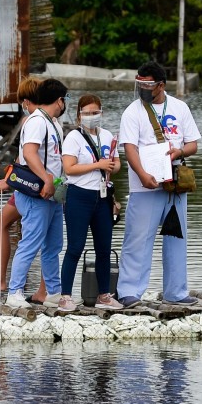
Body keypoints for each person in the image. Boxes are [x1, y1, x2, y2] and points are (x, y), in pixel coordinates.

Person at [117, 62, 201, 306]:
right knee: (138, 239)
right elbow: (130, 149)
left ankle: (176, 292)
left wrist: (179, 151)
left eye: (148, 84)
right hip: (145, 186)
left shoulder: (180, 107)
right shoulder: (133, 112)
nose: (142, 88)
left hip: (174, 186)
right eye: (139, 83)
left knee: (177, 238)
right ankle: (129, 291)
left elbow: (193, 144)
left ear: (161, 85)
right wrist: (142, 174)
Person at [0, 76, 47, 302]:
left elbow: (26, 159)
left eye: (22, 102)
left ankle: (4, 282)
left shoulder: (34, 121)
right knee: (46, 237)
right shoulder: (50, 120)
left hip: (32, 188)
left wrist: (6, 182)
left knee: (12, 227)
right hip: (41, 187)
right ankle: (45, 290)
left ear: (27, 100)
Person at [5, 78, 68, 309]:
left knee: (53, 245)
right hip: (36, 193)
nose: (65, 104)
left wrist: (56, 184)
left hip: (53, 195)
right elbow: (29, 154)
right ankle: (14, 292)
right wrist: (46, 179)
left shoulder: (53, 124)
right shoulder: (37, 121)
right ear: (59, 101)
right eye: (65, 99)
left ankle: (53, 292)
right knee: (30, 242)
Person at [58, 95, 123, 312]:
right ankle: (65, 296)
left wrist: (110, 166)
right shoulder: (73, 137)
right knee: (75, 247)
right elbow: (69, 168)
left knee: (103, 248)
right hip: (79, 195)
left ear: (101, 113)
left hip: (102, 196)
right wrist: (98, 165)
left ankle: (104, 294)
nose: (91, 117)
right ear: (79, 115)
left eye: (95, 112)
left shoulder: (106, 135)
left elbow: (117, 165)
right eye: (86, 113)